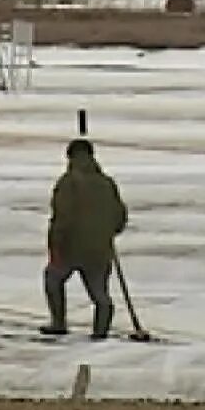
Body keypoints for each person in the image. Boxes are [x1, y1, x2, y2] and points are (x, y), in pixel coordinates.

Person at [41, 138, 129, 339]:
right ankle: (100, 331)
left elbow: (62, 216)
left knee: (53, 279)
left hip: (71, 248)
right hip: (100, 249)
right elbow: (120, 216)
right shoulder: (106, 183)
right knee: (99, 292)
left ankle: (58, 323)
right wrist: (106, 233)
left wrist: (55, 244)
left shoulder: (68, 182)